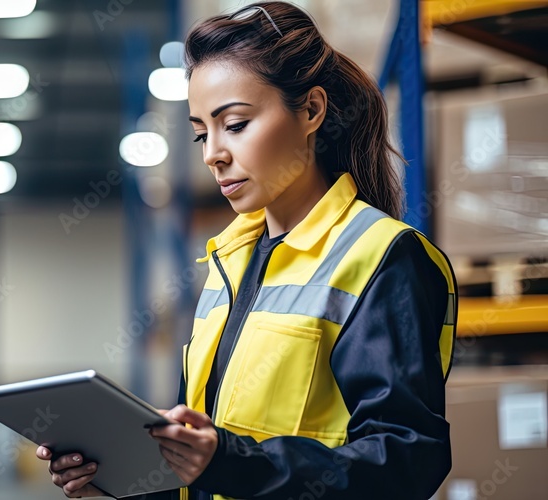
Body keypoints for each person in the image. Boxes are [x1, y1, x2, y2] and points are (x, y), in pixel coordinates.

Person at [36, 2, 458, 499]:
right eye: (200, 132)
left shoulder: (382, 256)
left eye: (234, 124)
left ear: (311, 111)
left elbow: (407, 457)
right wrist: (113, 481)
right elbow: (204, 466)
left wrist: (229, 462)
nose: (213, 153)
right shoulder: (228, 263)